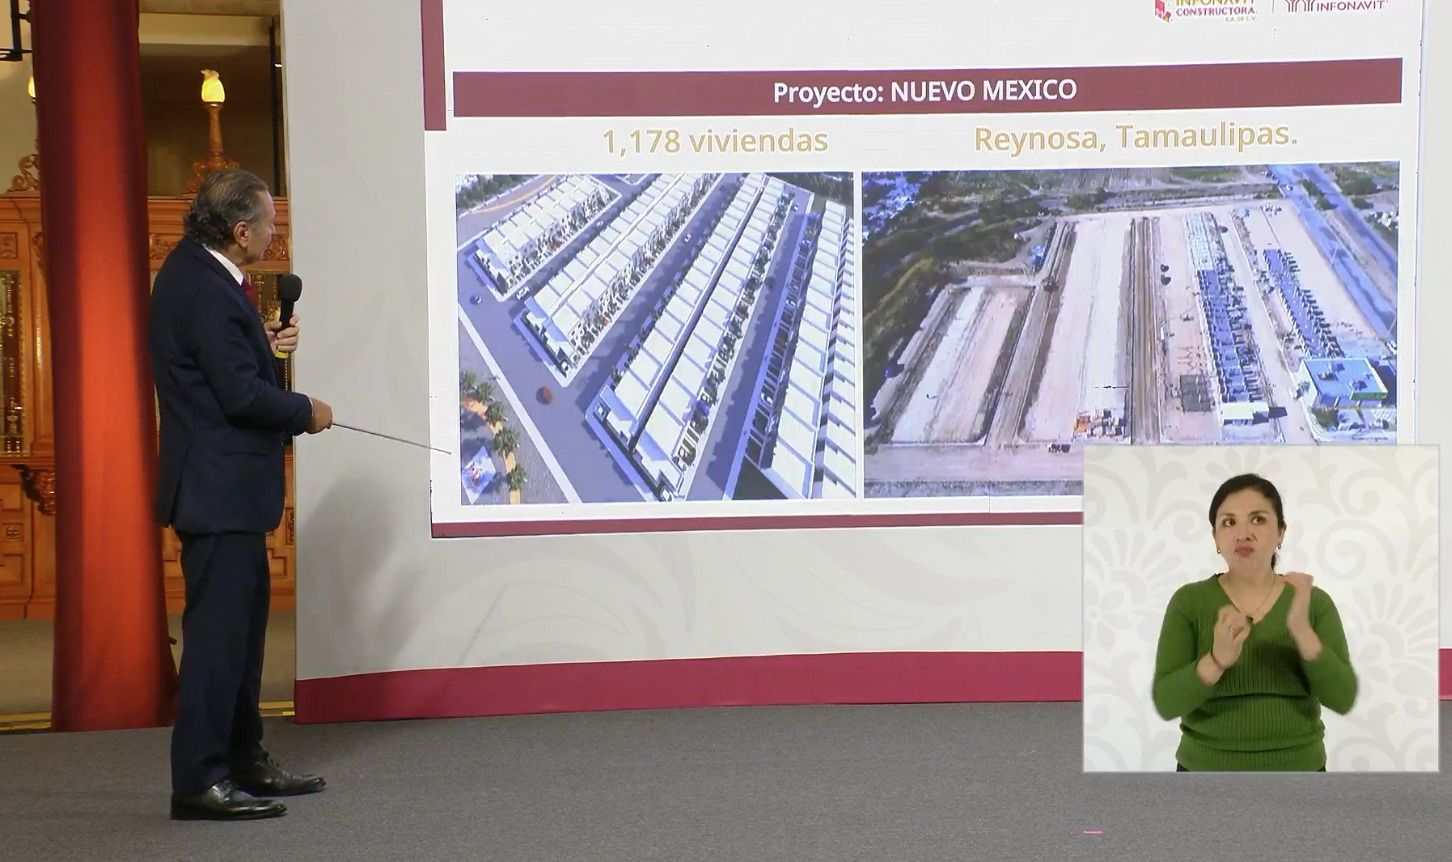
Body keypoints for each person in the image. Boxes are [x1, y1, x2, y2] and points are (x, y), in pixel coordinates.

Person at [148, 169, 334, 820]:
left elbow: (224, 370)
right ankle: (200, 780)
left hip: (227, 490)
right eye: (270, 224)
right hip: (215, 490)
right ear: (240, 230)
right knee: (216, 644)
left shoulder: (205, 275)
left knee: (243, 638)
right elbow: (238, 396)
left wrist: (269, 347)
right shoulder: (203, 287)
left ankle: (244, 759)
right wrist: (305, 409)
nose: (275, 234)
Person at [1151, 472, 1357, 772]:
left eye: (1258, 519)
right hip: (1205, 773)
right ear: (1215, 537)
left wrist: (1302, 633)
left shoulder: (1314, 602)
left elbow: (1343, 698)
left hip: (1300, 773)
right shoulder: (1188, 601)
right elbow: (1166, 702)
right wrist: (1216, 661)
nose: (1243, 533)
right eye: (1229, 522)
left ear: (1281, 532)